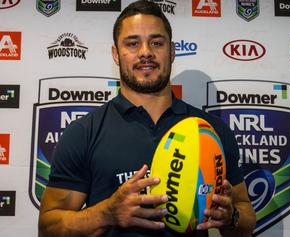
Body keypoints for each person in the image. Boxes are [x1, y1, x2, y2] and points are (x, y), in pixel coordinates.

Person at [38, 1, 256, 236]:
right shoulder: (84, 131)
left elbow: (245, 215)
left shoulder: (210, 130)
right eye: (132, 43)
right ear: (115, 54)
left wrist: (231, 216)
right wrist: (106, 213)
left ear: (172, 51)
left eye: (156, 42)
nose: (145, 52)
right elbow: (48, 227)